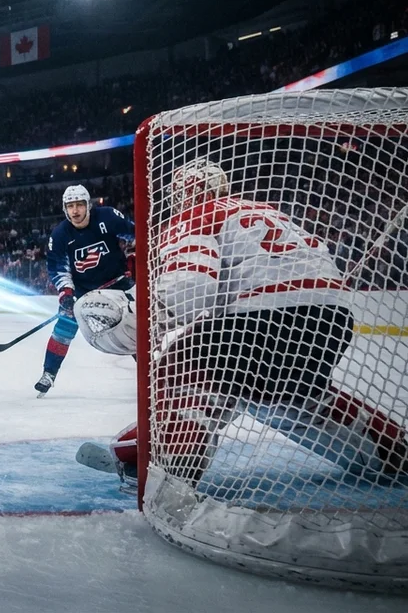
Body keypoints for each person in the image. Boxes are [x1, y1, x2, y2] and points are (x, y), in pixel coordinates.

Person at [73, 158, 406, 486]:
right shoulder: (267, 211)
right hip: (331, 321)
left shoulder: (194, 216)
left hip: (261, 318)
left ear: (181, 195)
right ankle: (394, 452)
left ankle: (167, 470)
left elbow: (192, 287)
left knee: (180, 366)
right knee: (289, 398)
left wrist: (144, 321)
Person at [34, 185, 134, 398]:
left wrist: (136, 256)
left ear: (88, 205)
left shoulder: (107, 216)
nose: (76, 211)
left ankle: (152, 372)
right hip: (85, 293)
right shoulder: (60, 234)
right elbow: (58, 268)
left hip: (118, 283)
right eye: (70, 206)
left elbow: (136, 234)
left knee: (135, 327)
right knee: (64, 327)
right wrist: (66, 292)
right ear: (65, 209)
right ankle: (48, 374)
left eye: (80, 205)